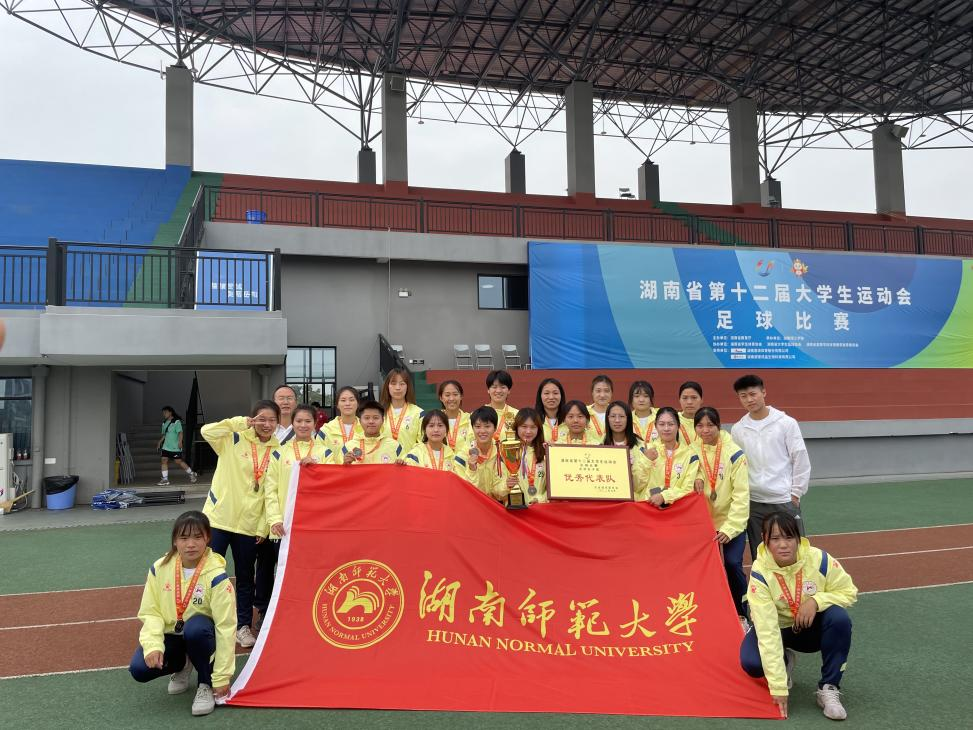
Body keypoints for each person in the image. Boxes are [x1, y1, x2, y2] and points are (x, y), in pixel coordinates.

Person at [740, 511, 857, 721]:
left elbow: (849, 591)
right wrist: (778, 686)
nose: (783, 545)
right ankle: (785, 660)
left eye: (789, 537)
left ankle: (828, 687)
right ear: (765, 541)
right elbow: (767, 631)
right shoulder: (760, 572)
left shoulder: (819, 559)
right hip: (778, 629)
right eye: (775, 538)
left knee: (839, 619)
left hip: (809, 629)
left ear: (798, 538)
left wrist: (815, 601)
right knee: (751, 663)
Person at [129, 511, 236, 717]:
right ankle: (183, 664)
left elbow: (226, 627)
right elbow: (151, 612)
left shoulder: (217, 576)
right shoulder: (159, 568)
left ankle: (205, 682)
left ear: (207, 538)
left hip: (203, 636)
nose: (191, 544)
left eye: (197, 537)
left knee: (196, 628)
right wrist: (153, 646)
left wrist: (222, 677)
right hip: (173, 635)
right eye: (184, 538)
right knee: (139, 669)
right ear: (175, 541)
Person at [200, 400, 280, 648]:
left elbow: (273, 491)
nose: (266, 424)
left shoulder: (278, 451)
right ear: (252, 419)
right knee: (209, 573)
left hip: (249, 526)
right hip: (219, 519)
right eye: (261, 419)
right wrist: (238, 423)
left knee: (245, 577)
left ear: (278, 423)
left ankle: (242, 626)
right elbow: (206, 431)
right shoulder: (232, 438)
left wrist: (263, 526)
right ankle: (204, 623)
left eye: (272, 420)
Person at [255, 405, 332, 630]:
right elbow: (270, 490)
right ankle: (267, 613)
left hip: (314, 525)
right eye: (299, 421)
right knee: (277, 570)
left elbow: (333, 486)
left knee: (311, 570)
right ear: (292, 423)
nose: (303, 425)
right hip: (284, 526)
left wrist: (317, 468)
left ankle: (309, 611)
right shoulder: (279, 452)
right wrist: (275, 520)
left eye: (308, 421)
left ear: (315, 424)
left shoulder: (326, 453)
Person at [731, 374, 811, 560]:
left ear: (763, 392)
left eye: (753, 394)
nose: (749, 399)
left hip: (783, 499)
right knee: (761, 555)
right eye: (743, 396)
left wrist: (795, 494)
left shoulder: (786, 423)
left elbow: (800, 458)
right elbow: (737, 466)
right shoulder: (738, 429)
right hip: (754, 502)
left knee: (795, 554)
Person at [693, 406, 750, 627]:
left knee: (732, 564)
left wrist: (730, 528)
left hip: (730, 523)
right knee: (708, 569)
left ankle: (742, 612)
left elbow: (741, 495)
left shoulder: (734, 454)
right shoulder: (692, 450)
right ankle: (713, 614)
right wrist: (697, 476)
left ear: (718, 425)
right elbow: (688, 473)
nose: (705, 430)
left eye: (710, 425)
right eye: (700, 426)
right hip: (704, 525)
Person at [639, 406, 700, 506]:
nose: (666, 428)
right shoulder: (646, 450)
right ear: (655, 426)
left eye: (671, 424)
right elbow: (638, 485)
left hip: (678, 508)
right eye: (661, 424)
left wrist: (664, 496)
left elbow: (688, 488)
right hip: (648, 506)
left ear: (678, 426)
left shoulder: (690, 455)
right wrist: (647, 461)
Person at [604, 400, 650, 497]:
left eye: (621, 416)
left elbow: (640, 484)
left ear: (628, 419)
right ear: (607, 419)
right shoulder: (600, 445)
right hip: (607, 495)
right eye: (613, 416)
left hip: (634, 498)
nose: (617, 420)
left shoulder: (640, 445)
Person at [503, 408, 548, 505]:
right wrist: (506, 485)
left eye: (533, 427)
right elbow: (495, 489)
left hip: (540, 509)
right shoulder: (506, 451)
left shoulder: (546, 452)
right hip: (515, 510)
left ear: (539, 429)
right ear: (516, 427)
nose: (528, 431)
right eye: (524, 426)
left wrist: (540, 499)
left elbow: (554, 486)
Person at [401, 409, 467, 472]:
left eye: (440, 425)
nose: (436, 430)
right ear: (425, 430)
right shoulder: (415, 454)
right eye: (431, 426)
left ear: (446, 430)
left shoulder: (452, 456)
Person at [340, 400, 403, 465]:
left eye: (376, 418)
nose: (371, 421)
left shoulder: (395, 447)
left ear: (382, 420)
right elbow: (338, 469)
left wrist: (400, 465)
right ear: (360, 421)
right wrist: (345, 464)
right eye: (367, 418)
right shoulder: (348, 447)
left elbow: (405, 468)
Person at [462, 406, 505, 500]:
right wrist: (472, 469)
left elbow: (500, 492)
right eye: (478, 426)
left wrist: (508, 485)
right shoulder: (463, 455)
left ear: (495, 428)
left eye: (487, 426)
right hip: (473, 504)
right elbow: (465, 490)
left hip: (495, 504)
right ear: (472, 428)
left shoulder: (501, 453)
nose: (482, 431)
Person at [379, 367, 424, 453]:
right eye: (393, 383)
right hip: (383, 460)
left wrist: (409, 458)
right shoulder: (379, 412)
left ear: (408, 387)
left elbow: (422, 445)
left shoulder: (419, 413)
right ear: (387, 386)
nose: (398, 388)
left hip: (409, 460)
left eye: (402, 384)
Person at [157, 406, 198, 486]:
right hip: (166, 446)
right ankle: (165, 479)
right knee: (164, 460)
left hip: (175, 446)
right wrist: (159, 442)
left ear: (170, 412)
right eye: (163, 413)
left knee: (178, 461)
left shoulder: (176, 422)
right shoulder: (164, 423)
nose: (164, 414)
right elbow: (165, 434)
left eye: (165, 412)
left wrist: (180, 442)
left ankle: (191, 473)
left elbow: (180, 433)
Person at [320, 386, 364, 452]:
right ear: (337, 405)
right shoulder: (326, 430)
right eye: (343, 400)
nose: (347, 404)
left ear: (358, 404)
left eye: (351, 400)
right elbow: (318, 453)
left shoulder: (367, 428)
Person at [439, 380, 472, 452]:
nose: (451, 398)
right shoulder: (435, 420)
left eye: (455, 394)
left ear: (461, 396)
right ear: (441, 398)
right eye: (447, 395)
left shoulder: (470, 419)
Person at [485, 369, 518, 442]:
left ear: (509, 390)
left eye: (503, 387)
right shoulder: (478, 414)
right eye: (494, 387)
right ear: (488, 390)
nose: (498, 391)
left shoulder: (517, 415)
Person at [535, 377, 568, 444]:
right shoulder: (534, 420)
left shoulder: (569, 420)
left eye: (555, 393)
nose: (551, 397)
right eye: (546, 393)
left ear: (561, 395)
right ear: (540, 396)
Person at [587, 374, 614, 441]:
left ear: (611, 393)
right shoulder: (584, 412)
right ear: (592, 393)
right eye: (598, 391)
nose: (602, 395)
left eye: (606, 391)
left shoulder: (617, 413)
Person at [677, 381, 703, 446]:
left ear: (701, 400)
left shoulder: (709, 420)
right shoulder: (672, 420)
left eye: (694, 397)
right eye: (685, 398)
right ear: (679, 400)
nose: (689, 402)